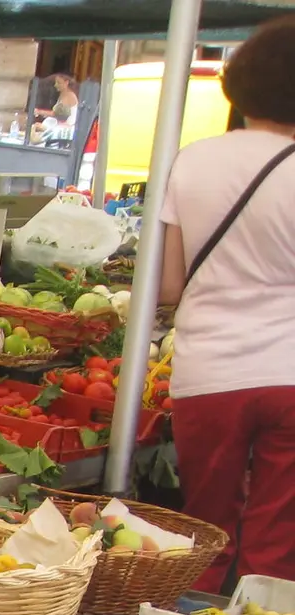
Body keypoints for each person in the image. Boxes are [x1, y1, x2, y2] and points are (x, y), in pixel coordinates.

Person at [158, 17, 295, 584]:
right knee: (276, 547)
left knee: (205, 536)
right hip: (289, 374)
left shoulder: (192, 160)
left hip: (208, 373)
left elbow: (166, 287)